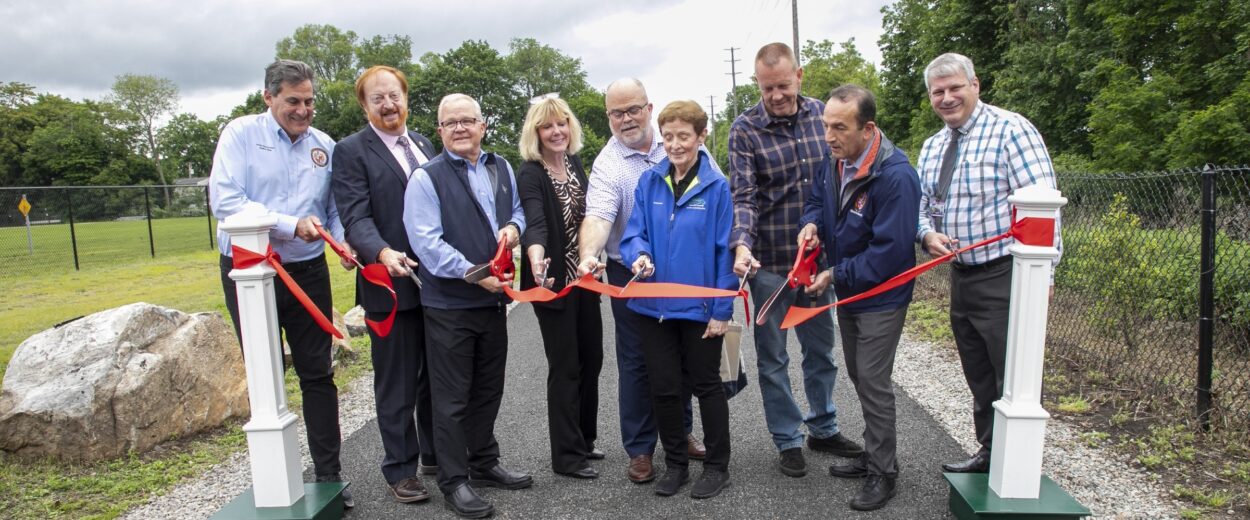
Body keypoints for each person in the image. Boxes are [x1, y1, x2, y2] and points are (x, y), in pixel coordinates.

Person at [209, 59, 354, 507]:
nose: (303, 109)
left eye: (309, 101)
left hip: (308, 272)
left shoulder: (324, 146)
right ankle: (274, 481)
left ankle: (329, 476)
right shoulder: (240, 135)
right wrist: (291, 225)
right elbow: (227, 201)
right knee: (266, 374)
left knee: (319, 374)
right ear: (268, 97)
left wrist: (341, 242)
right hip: (252, 272)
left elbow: (331, 208)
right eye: (293, 101)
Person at [916, 53, 1060, 474]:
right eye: (938, 92)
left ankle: (1021, 465)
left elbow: (1043, 207)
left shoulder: (1011, 130)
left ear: (975, 85)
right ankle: (990, 452)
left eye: (955, 88)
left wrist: (1045, 274)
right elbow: (922, 207)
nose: (947, 98)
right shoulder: (934, 145)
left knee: (1011, 374)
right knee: (978, 372)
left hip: (1006, 274)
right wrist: (926, 234)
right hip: (962, 276)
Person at [728, 42, 862, 477]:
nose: (777, 95)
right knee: (774, 360)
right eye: (767, 88)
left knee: (821, 352)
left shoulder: (824, 116)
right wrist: (742, 244)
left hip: (817, 268)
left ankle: (823, 427)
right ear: (758, 84)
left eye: (783, 85)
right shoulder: (745, 129)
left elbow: (841, 180)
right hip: (768, 267)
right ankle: (788, 439)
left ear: (799, 77)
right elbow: (744, 196)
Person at [403, 93, 531, 519]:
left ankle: (483, 461)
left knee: (488, 389)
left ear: (482, 126)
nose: (460, 128)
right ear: (439, 131)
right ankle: (454, 480)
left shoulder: (501, 166)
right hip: (451, 305)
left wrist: (513, 229)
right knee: (452, 397)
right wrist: (478, 274)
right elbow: (428, 244)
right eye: (450, 122)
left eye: (467, 120)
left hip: (493, 305)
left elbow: (516, 212)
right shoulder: (426, 178)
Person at [576, 78, 705, 484]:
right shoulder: (608, 163)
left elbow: (719, 192)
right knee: (636, 362)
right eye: (617, 113)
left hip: (683, 271)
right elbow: (598, 216)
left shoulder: (679, 141)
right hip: (628, 272)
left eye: (633, 109)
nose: (626, 118)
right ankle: (640, 449)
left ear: (650, 108)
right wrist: (587, 255)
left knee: (683, 355)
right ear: (608, 117)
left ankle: (680, 434)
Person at [798, 85, 919, 511]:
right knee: (859, 374)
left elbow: (889, 253)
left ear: (868, 128)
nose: (828, 137)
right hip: (850, 293)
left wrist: (834, 273)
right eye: (825, 126)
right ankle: (874, 455)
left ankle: (884, 472)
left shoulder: (896, 176)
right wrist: (811, 225)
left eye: (839, 128)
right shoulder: (835, 162)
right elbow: (816, 201)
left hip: (881, 296)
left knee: (871, 379)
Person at [330, 65, 438, 504]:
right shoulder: (351, 151)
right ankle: (400, 469)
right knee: (396, 382)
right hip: (388, 284)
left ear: (406, 97)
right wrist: (379, 252)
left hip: (434, 283)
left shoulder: (426, 145)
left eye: (394, 95)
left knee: (437, 377)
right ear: (365, 105)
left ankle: (436, 454)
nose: (388, 104)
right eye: (378, 99)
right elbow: (354, 216)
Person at [620, 100, 735, 499]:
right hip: (653, 308)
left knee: (707, 385)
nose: (674, 144)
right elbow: (634, 234)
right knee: (665, 388)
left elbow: (725, 251)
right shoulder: (650, 181)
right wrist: (639, 255)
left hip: (702, 309)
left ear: (701, 137)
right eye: (667, 136)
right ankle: (676, 465)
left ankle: (717, 466)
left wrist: (722, 309)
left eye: (683, 136)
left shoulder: (717, 187)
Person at [515, 95, 605, 479]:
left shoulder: (574, 163)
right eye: (547, 126)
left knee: (593, 358)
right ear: (535, 132)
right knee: (565, 365)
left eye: (562, 123)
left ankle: (584, 439)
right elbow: (535, 222)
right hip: (550, 281)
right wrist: (535, 255)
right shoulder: (530, 173)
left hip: (583, 278)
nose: (556, 131)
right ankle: (566, 457)